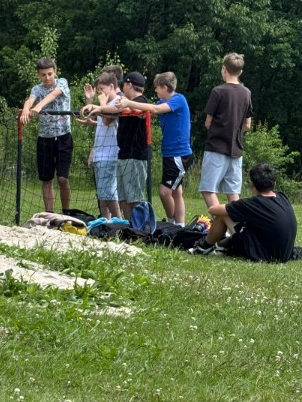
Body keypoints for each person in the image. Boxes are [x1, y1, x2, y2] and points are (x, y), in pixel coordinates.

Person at [114, 71, 192, 225]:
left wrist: (129, 103)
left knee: (164, 191)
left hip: (179, 153)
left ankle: (171, 222)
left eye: (157, 88)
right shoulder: (161, 102)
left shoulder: (178, 99)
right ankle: (180, 225)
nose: (155, 90)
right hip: (169, 153)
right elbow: (146, 112)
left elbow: (155, 110)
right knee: (176, 192)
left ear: (165, 87)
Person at [189, 163, 297, 262]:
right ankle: (222, 246)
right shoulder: (282, 197)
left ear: (252, 184)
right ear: (274, 183)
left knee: (224, 215)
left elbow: (212, 210)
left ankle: (203, 248)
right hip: (284, 254)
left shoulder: (253, 203)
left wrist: (235, 207)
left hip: (265, 255)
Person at [199, 52, 252, 209]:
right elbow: (247, 124)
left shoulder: (218, 91)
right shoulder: (246, 93)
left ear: (224, 69)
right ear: (240, 72)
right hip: (236, 150)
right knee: (233, 193)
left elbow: (208, 122)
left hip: (216, 147)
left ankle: (221, 221)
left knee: (208, 189)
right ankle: (236, 224)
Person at [20, 57, 73, 212]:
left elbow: (54, 95)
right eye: (43, 75)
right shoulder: (37, 89)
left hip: (63, 136)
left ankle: (66, 212)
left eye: (50, 74)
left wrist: (38, 107)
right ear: (38, 75)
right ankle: (49, 213)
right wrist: (26, 109)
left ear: (55, 72)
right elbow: (30, 100)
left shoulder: (62, 82)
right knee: (46, 178)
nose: (47, 77)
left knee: (62, 178)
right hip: (44, 138)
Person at [79, 70, 121, 218]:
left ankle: (118, 221)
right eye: (98, 91)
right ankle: (105, 222)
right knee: (102, 193)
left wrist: (101, 104)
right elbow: (95, 118)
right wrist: (89, 101)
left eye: (102, 89)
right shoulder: (105, 104)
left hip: (110, 155)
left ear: (111, 86)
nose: (100, 93)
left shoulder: (117, 102)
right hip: (100, 153)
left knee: (109, 193)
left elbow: (107, 120)